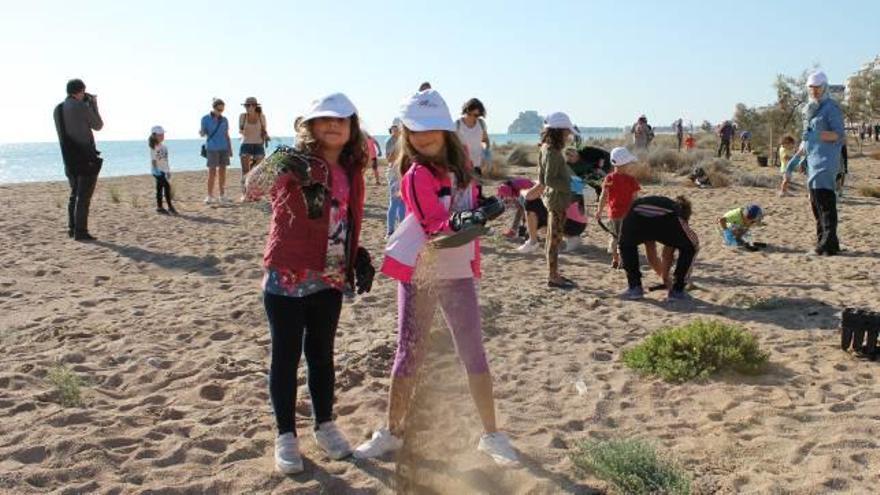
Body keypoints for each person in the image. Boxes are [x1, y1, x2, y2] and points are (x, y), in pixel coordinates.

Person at [355, 89, 518, 467]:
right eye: (414, 129)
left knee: (472, 351)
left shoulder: (462, 168)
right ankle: (392, 432)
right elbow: (433, 225)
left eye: (432, 128)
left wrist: (486, 207)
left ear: (447, 129)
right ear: (405, 133)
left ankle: (492, 435)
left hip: (457, 270)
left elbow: (468, 205)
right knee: (409, 351)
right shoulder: (414, 175)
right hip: (421, 271)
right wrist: (469, 219)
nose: (423, 136)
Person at [254, 93, 375, 474]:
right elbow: (252, 187)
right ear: (309, 125)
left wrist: (356, 252)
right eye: (324, 119)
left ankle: (325, 424)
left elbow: (345, 217)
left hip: (331, 275)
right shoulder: (295, 163)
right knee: (285, 356)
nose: (333, 125)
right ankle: (286, 435)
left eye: (342, 119)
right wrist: (276, 160)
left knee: (322, 354)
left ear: (353, 127)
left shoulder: (353, 169)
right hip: (287, 274)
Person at [781, 71, 845, 256]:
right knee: (815, 202)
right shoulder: (809, 109)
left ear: (824, 87)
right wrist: (797, 157)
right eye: (811, 88)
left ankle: (828, 242)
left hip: (827, 159)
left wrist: (818, 136)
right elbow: (806, 137)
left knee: (824, 201)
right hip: (812, 160)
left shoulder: (831, 108)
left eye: (818, 88)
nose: (814, 91)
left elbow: (840, 135)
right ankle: (825, 240)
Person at [618, 195, 699, 301]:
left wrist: (664, 278)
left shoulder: (660, 203)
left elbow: (651, 254)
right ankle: (677, 291)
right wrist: (667, 279)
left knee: (626, 245)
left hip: (634, 216)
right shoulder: (676, 211)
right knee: (692, 246)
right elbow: (667, 254)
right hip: (664, 218)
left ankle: (634, 288)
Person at [53, 78, 103, 241]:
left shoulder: (58, 109)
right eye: (83, 92)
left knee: (74, 194)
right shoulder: (81, 106)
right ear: (80, 91)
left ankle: (72, 228)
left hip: (68, 157)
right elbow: (98, 125)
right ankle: (81, 232)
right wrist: (93, 104)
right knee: (84, 196)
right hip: (85, 156)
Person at [539, 112, 578, 289]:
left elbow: (542, 179)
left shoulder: (545, 148)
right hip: (557, 201)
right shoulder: (553, 152)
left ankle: (553, 273)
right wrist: (569, 186)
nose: (568, 135)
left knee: (552, 239)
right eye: (566, 132)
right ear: (559, 131)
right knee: (554, 240)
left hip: (552, 199)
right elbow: (549, 179)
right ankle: (553, 276)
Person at [596, 147, 641, 269]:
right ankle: (622, 260)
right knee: (624, 238)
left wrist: (599, 211)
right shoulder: (631, 180)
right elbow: (635, 198)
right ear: (625, 163)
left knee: (614, 236)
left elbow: (603, 196)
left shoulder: (609, 178)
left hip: (612, 213)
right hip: (627, 214)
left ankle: (615, 260)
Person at [200, 98, 233, 205]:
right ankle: (209, 196)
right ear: (214, 108)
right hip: (212, 148)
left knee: (223, 173)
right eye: (219, 110)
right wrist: (201, 132)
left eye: (222, 110)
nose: (220, 112)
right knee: (212, 172)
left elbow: (226, 135)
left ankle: (222, 195)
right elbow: (203, 132)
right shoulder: (205, 118)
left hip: (224, 148)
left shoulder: (224, 120)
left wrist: (230, 148)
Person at [238, 97, 269, 201]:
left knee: (256, 172)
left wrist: (266, 136)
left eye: (251, 105)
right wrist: (242, 131)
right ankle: (245, 195)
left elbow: (264, 130)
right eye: (246, 105)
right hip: (246, 144)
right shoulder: (242, 116)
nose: (248, 107)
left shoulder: (262, 116)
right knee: (245, 171)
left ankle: (255, 194)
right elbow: (241, 131)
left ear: (255, 106)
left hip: (258, 145)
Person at [455, 98, 491, 176]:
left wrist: (486, 155)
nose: (471, 117)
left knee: (477, 188)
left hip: (477, 166)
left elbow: (485, 141)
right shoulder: (457, 125)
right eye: (469, 114)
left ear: (480, 115)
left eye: (475, 115)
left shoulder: (481, 124)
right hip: (462, 167)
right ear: (465, 111)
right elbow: (452, 145)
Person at [148, 126, 176, 215]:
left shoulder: (164, 147)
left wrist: (168, 171)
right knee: (167, 186)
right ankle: (170, 207)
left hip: (163, 171)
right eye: (160, 135)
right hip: (157, 172)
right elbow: (153, 161)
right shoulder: (153, 147)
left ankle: (159, 207)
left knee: (159, 188)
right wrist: (156, 170)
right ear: (155, 135)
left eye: (163, 134)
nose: (162, 136)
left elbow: (165, 160)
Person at [385, 120, 405, 237]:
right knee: (394, 202)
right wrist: (398, 150)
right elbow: (389, 159)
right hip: (393, 174)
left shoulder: (403, 141)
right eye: (394, 128)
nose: (396, 130)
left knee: (402, 203)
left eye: (397, 128)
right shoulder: (390, 141)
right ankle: (390, 231)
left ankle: (402, 229)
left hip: (402, 173)